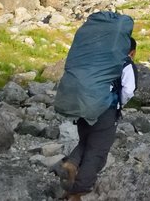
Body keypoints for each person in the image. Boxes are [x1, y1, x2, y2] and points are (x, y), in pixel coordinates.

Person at [57, 36, 136, 200]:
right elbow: (129, 90)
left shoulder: (99, 57)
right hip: (106, 111)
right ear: (132, 52)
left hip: (83, 107)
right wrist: (119, 104)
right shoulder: (126, 63)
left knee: (85, 142)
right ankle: (78, 191)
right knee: (97, 151)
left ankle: (71, 163)